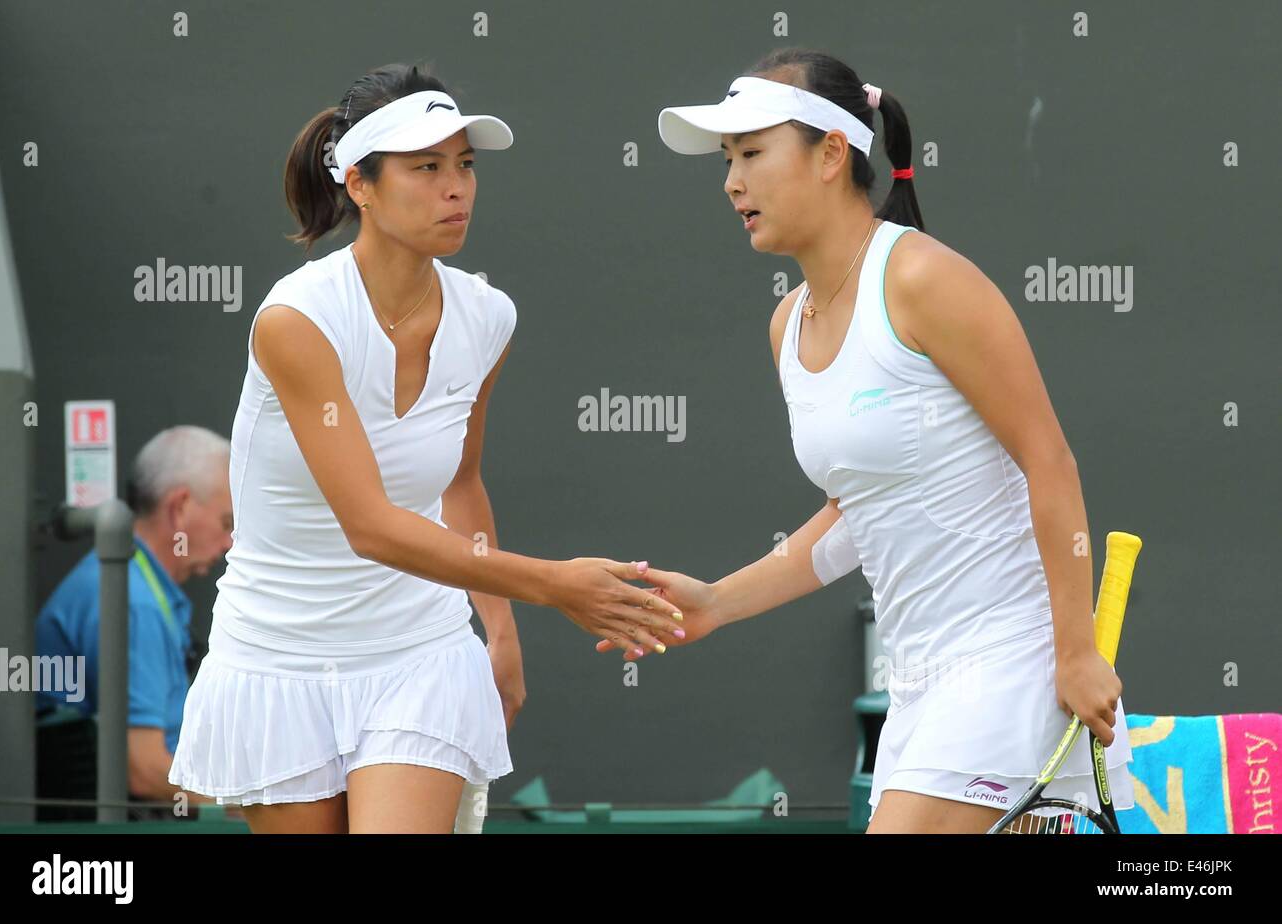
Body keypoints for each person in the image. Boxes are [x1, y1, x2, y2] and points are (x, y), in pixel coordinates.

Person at [598, 47, 1136, 833]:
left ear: (830, 153)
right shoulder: (788, 326)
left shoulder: (923, 279)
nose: (731, 180)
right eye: (726, 159)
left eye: (751, 152)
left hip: (1012, 666)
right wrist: (717, 602)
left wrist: (1075, 650)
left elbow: (1048, 460)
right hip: (916, 692)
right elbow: (857, 515)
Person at [167, 63, 684, 834]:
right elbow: (370, 526)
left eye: (466, 165)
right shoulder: (297, 320)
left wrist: (499, 633)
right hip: (278, 659)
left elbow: (461, 483)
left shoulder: (487, 317)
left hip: (420, 651)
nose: (457, 188)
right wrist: (554, 586)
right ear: (360, 185)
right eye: (427, 167)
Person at [35, 425, 233, 807]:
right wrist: (246, 806)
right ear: (179, 507)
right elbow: (144, 770)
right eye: (226, 523)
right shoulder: (135, 603)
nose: (228, 543)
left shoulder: (131, 585)